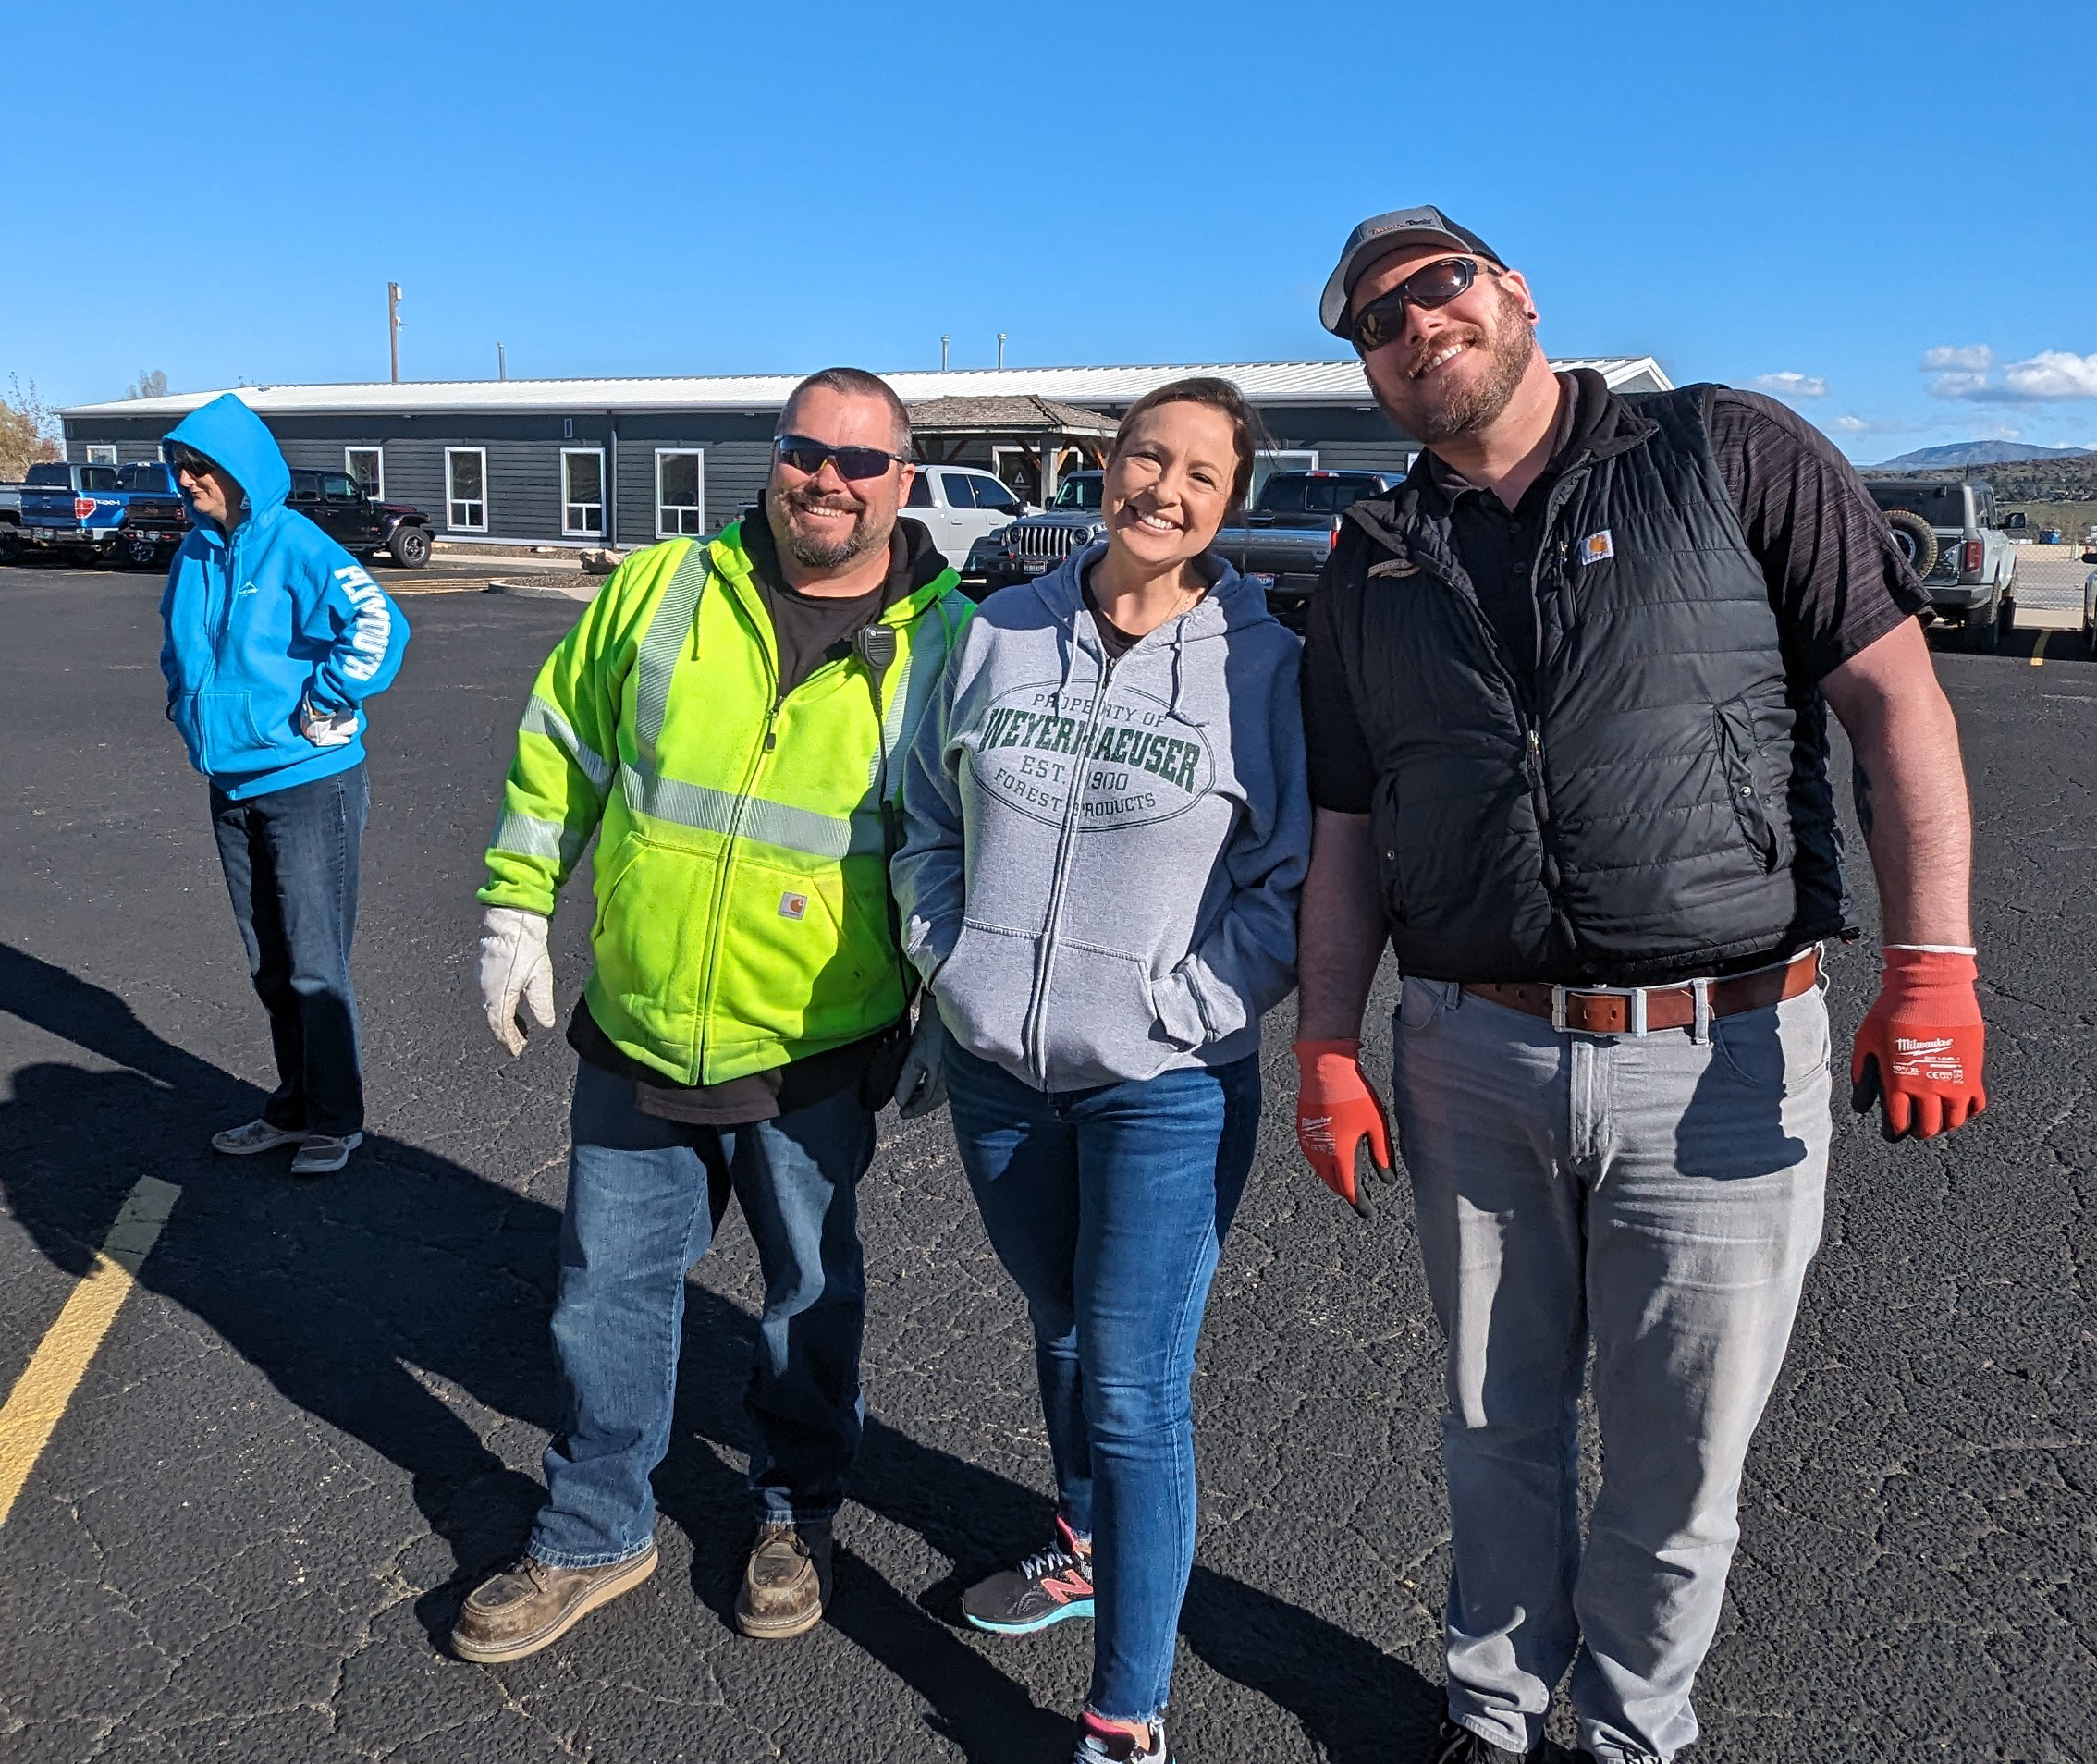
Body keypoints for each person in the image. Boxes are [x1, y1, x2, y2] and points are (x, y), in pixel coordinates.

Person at [1293, 207, 1987, 1764]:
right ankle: (1491, 1705)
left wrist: (1931, 964)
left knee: (1678, 1454)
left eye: (1439, 285)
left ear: (1514, 293)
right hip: (1467, 1052)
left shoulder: (1721, 452)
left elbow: (1894, 705)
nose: (1415, 324)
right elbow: (1346, 824)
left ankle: (1629, 1727)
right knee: (1491, 1422)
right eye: (1374, 319)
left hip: (1720, 1053)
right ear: (1364, 367)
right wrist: (1324, 1041)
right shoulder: (1371, 559)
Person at [454, 369, 974, 1664]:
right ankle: (590, 1527)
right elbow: (559, 749)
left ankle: (794, 1511)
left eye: (863, 462)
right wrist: (518, 905)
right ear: (775, 458)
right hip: (635, 1026)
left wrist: (948, 1011)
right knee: (605, 1293)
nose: (829, 481)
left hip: (816, 1040)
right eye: (809, 451)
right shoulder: (662, 588)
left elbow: (962, 839)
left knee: (808, 1296)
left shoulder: (950, 638)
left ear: (902, 482)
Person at [892, 377, 1311, 1764]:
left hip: (1166, 1083)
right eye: (1148, 457)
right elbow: (924, 817)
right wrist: (953, 963)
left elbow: (1287, 882)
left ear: (1228, 504)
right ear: (1105, 463)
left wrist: (1178, 1008)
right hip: (1002, 1064)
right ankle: (1078, 1546)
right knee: (1059, 1325)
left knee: (1133, 1386)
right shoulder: (996, 630)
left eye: (1202, 475)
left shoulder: (1265, 671)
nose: (1165, 491)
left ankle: (1127, 1719)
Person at [157, 393, 410, 1177]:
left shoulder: (298, 545)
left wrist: (327, 699)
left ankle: (336, 1120)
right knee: (269, 959)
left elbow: (379, 626)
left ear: (242, 472)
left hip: (308, 783)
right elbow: (179, 650)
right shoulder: (193, 554)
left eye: (201, 467)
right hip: (230, 783)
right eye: (180, 467)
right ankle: (294, 1106)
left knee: (313, 961)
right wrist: (183, 707)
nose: (187, 480)